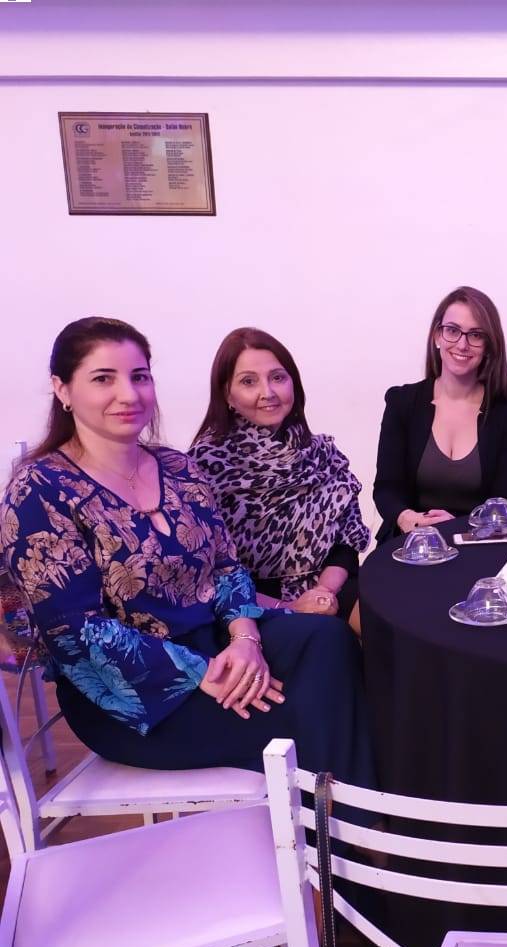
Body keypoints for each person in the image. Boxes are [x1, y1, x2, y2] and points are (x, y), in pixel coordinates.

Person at [0, 317, 374, 790]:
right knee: (312, 710)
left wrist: (244, 639)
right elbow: (74, 632)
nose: (128, 394)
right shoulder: (40, 490)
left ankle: (349, 818)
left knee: (329, 642)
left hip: (215, 642)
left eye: (139, 376)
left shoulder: (177, 467)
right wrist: (201, 672)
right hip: (133, 691)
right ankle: (352, 830)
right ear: (63, 389)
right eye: (103, 379)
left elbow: (226, 567)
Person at [190, 328, 369, 620]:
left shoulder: (322, 454)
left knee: (391, 614)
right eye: (249, 381)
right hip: (250, 604)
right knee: (329, 636)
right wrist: (291, 607)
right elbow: (210, 571)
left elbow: (346, 543)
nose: (268, 392)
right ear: (227, 394)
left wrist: (323, 593)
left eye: (277, 377)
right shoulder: (203, 466)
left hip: (329, 587)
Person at [373, 286, 507, 542]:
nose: (462, 344)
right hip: (409, 542)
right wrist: (408, 518)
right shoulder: (401, 402)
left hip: (477, 546)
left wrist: (458, 527)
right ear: (437, 336)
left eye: (476, 335)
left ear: (489, 345)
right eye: (453, 330)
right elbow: (386, 489)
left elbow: (504, 503)